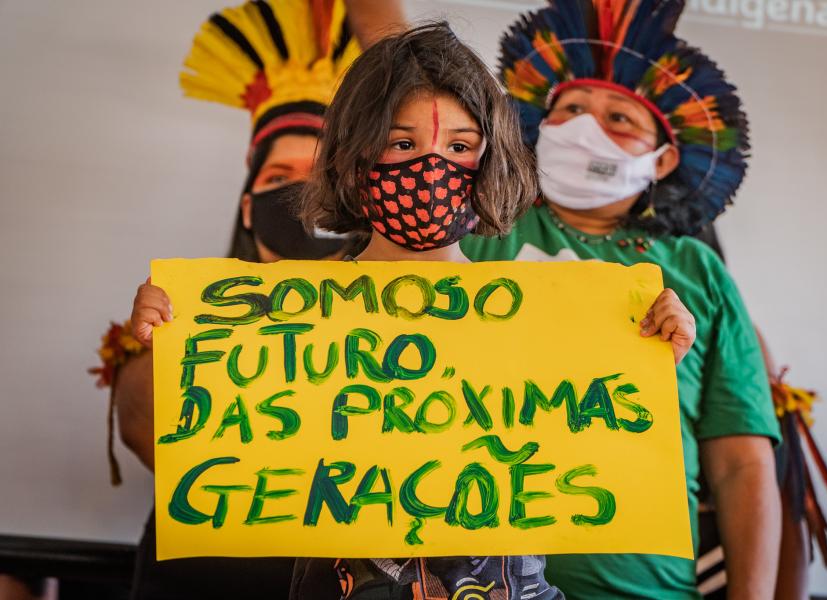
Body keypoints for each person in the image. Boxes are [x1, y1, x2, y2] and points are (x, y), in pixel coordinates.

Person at [130, 21, 696, 600]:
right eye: (403, 144)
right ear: (354, 163)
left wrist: (647, 357)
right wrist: (173, 332)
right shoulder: (288, 315)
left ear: (490, 160)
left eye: (458, 146)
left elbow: (586, 442)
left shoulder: (544, 317)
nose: (431, 169)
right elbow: (220, 428)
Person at [460, 1, 782, 598]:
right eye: (571, 109)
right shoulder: (475, 239)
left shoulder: (697, 270)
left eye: (619, 119)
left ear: (663, 159)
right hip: (476, 581)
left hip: (646, 587)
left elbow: (741, 463)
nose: (587, 127)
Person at [90, 1, 404, 598]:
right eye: (278, 176)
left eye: (319, 178)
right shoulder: (178, 311)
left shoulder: (407, 322)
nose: (297, 198)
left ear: (354, 202)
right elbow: (145, 433)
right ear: (247, 205)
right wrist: (157, 342)